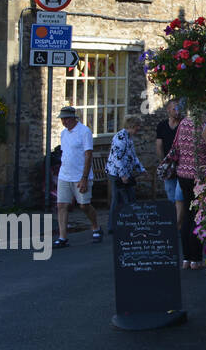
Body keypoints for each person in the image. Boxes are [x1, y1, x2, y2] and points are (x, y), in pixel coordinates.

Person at [172, 101, 206, 270]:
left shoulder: (183, 123)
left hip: (183, 175)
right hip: (201, 176)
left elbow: (176, 146)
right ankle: (196, 258)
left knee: (187, 215)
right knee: (199, 215)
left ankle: (186, 258)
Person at [54, 106, 101, 248]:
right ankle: (63, 238)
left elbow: (88, 155)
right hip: (64, 175)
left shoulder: (84, 131)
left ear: (74, 118)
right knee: (62, 205)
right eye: (62, 119)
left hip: (80, 176)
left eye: (67, 118)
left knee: (84, 205)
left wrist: (84, 177)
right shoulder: (63, 133)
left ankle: (96, 227)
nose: (64, 121)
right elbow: (66, 153)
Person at [105, 115, 146, 236]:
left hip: (125, 173)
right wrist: (123, 175)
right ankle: (113, 226)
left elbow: (132, 156)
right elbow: (117, 158)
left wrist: (141, 169)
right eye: (137, 126)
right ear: (132, 126)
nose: (139, 128)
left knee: (130, 197)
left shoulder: (128, 138)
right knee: (118, 199)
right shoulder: (120, 138)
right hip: (116, 174)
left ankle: (128, 222)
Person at [156, 99, 183, 215]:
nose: (177, 111)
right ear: (168, 110)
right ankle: (173, 218)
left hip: (182, 164)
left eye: (179, 109)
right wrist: (163, 162)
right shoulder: (162, 125)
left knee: (180, 195)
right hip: (169, 165)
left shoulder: (183, 124)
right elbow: (159, 145)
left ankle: (180, 219)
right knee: (171, 193)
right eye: (174, 109)